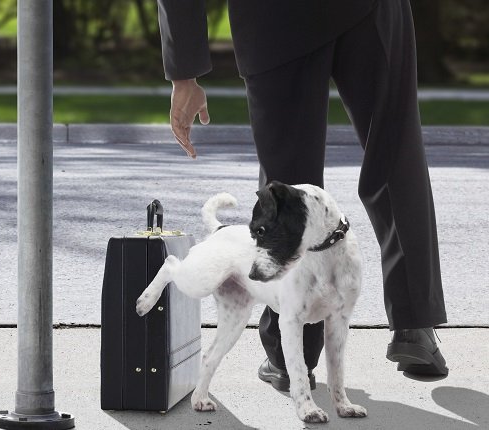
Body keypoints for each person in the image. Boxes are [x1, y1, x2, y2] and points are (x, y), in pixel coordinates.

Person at [156, 0, 449, 390]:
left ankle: (287, 355)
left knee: (288, 182)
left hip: (274, 19)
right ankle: (415, 326)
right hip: (369, 11)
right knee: (395, 157)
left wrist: (184, 72)